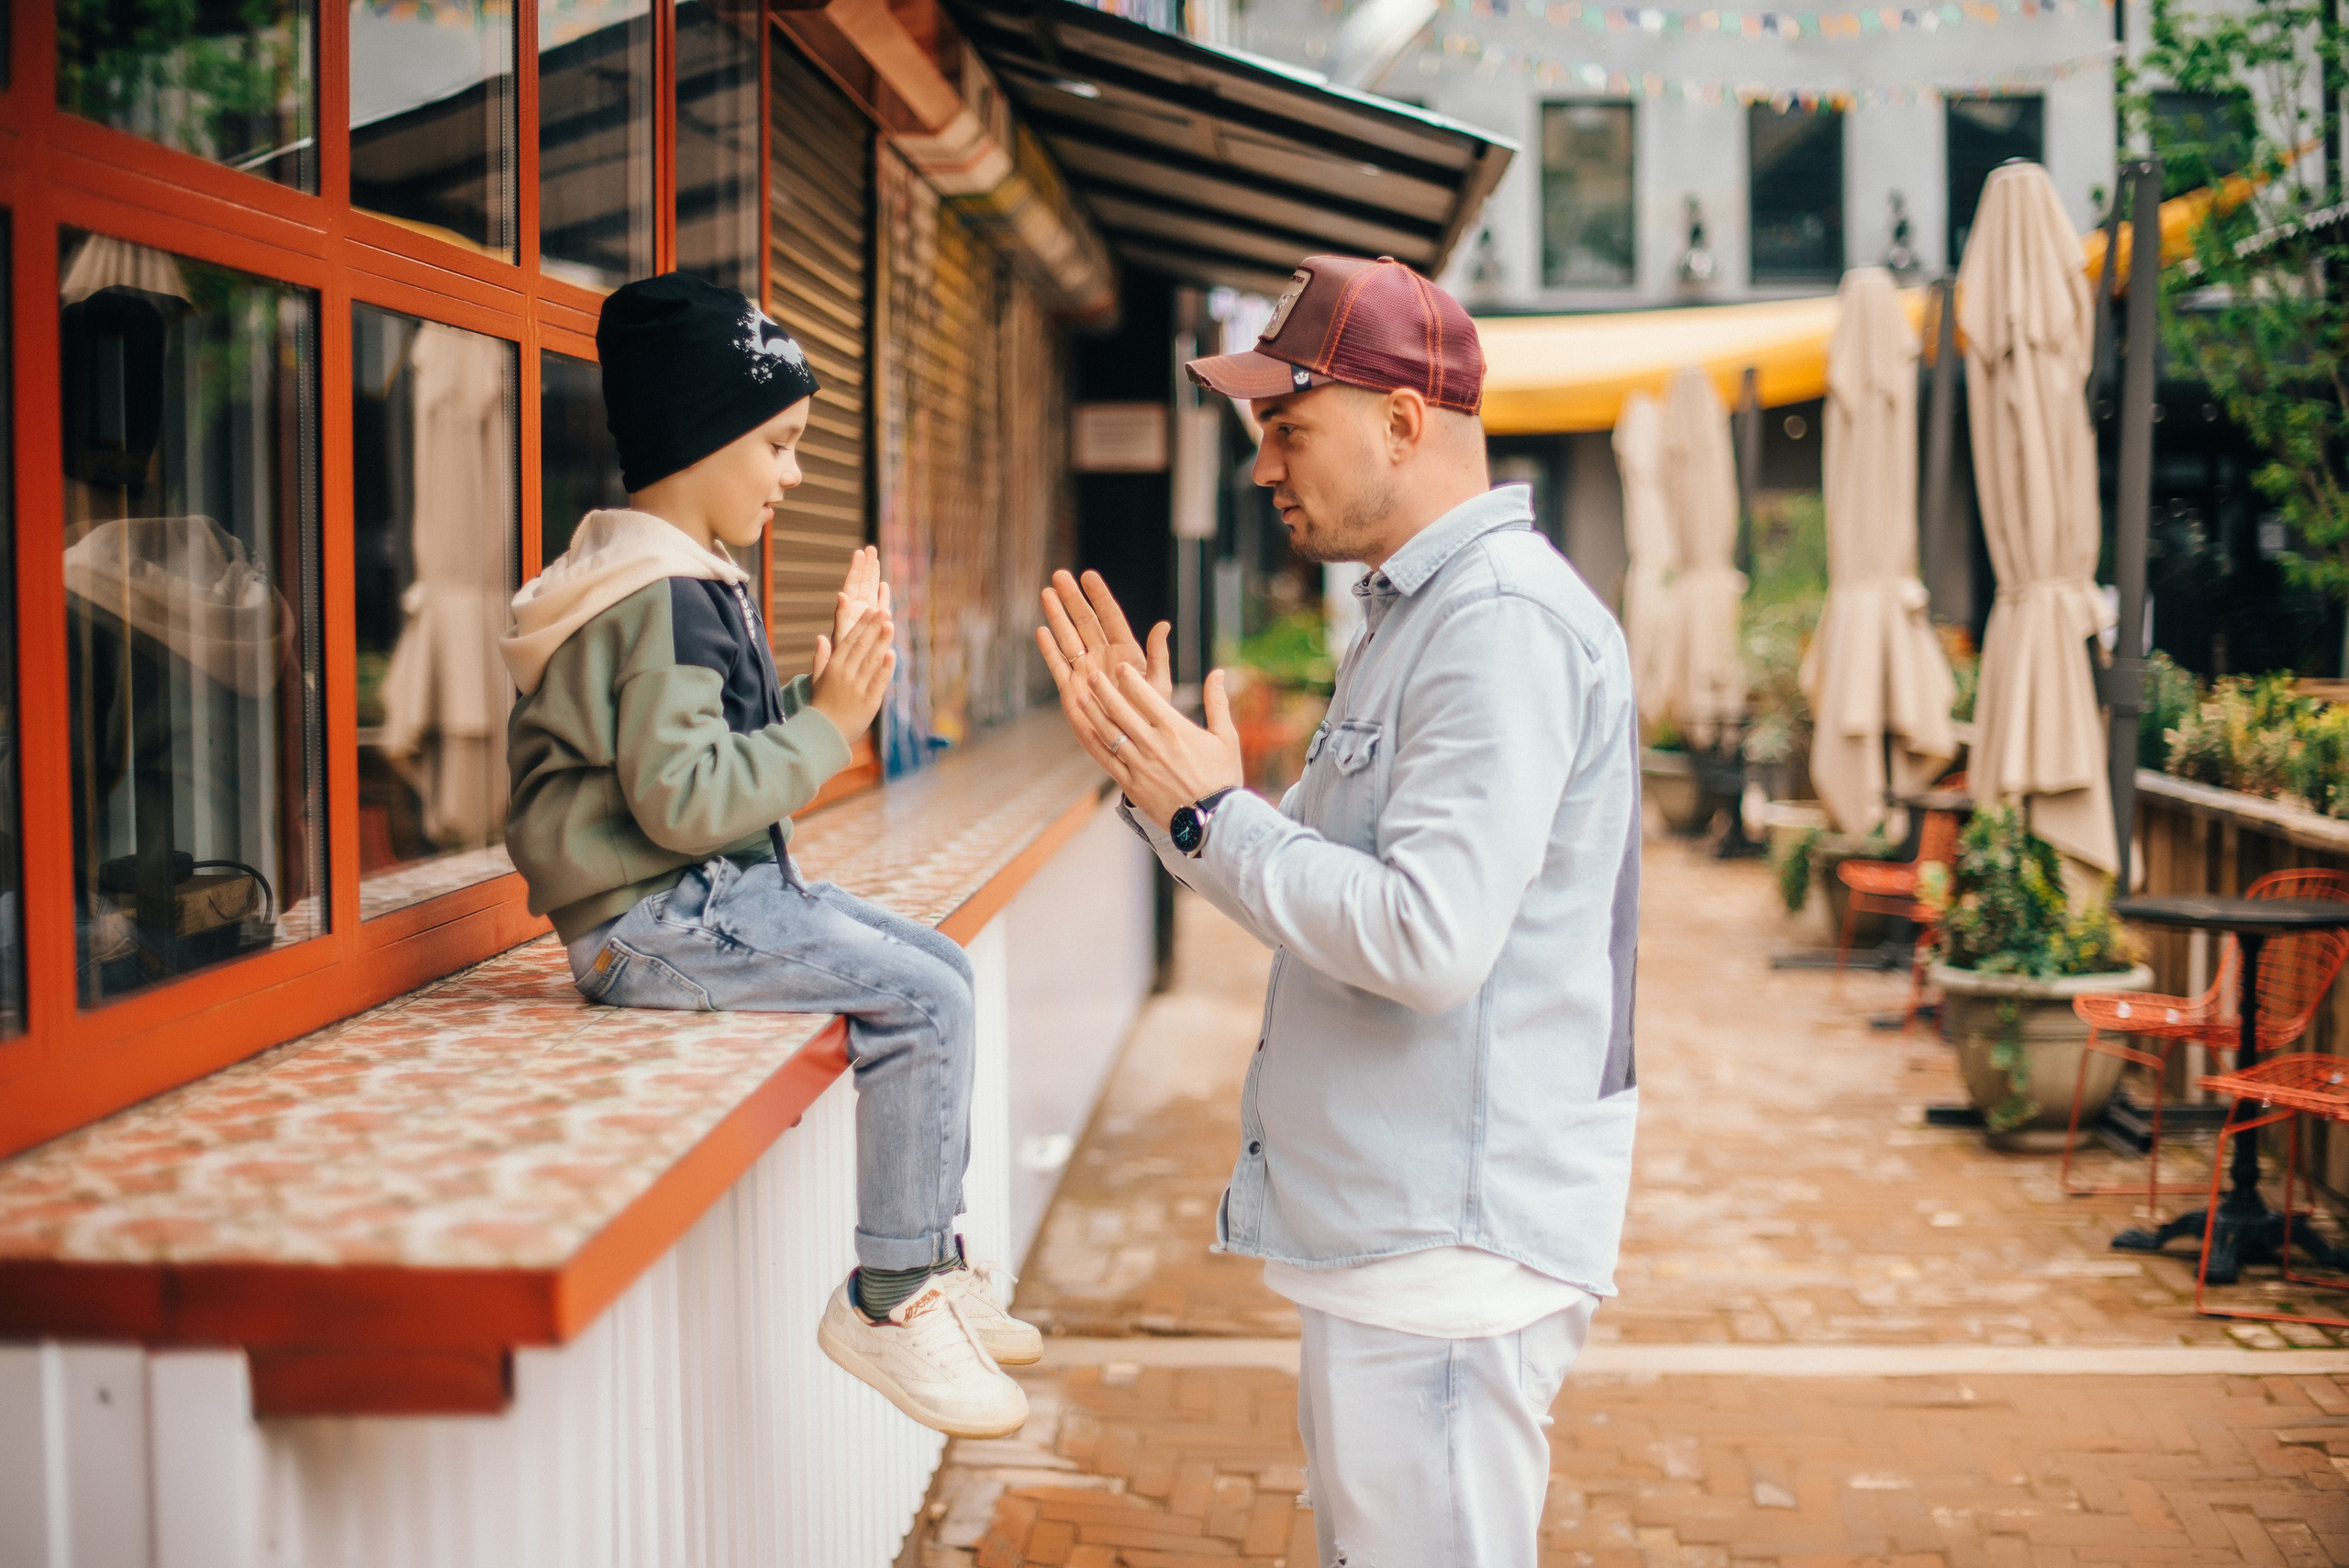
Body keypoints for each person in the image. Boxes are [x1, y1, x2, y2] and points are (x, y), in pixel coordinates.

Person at [1036, 255, 1639, 1566]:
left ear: (1404, 422)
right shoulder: (1417, 616)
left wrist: (1211, 813)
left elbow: (1425, 939)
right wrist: (1168, 795)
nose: (1266, 469)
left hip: (1448, 1248)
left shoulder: (1495, 623)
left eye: (1289, 428)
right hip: (1405, 1235)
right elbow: (1301, 871)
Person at [501, 272, 1040, 1440]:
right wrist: (831, 724)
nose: (793, 474)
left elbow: (695, 759)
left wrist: (818, 693)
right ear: (702, 440)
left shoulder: (665, 576)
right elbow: (686, 797)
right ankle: (891, 1294)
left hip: (688, 894)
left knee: (941, 965)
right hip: (651, 920)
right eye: (781, 444)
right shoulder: (665, 596)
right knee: (918, 995)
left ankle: (926, 1267)